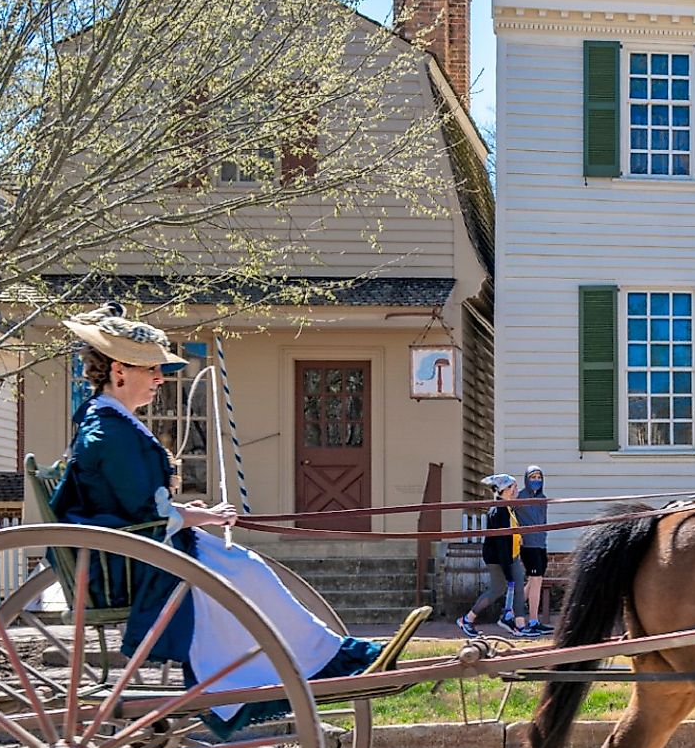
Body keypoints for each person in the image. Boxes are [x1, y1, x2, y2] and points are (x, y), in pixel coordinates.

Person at [50, 309, 425, 724]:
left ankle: (332, 658)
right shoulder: (108, 431)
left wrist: (200, 515)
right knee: (246, 575)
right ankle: (298, 672)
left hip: (154, 547)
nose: (159, 378)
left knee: (250, 570)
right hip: (140, 562)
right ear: (119, 371)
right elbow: (145, 510)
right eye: (152, 369)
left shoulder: (115, 424)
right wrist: (199, 517)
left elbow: (143, 503)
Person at [457, 473, 523, 637]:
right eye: (513, 488)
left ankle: (510, 618)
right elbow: (501, 541)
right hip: (498, 558)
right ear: (504, 490)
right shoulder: (499, 511)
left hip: (508, 556)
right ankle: (468, 619)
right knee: (498, 589)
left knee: (507, 587)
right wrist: (507, 568)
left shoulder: (507, 508)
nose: (516, 491)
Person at [514, 465, 552, 634]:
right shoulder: (520, 497)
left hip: (541, 544)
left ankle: (514, 612)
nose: (536, 480)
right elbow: (510, 516)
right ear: (526, 479)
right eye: (533, 477)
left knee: (535, 581)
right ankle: (533, 620)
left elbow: (543, 521)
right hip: (527, 545)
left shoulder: (543, 499)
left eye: (539, 477)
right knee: (535, 580)